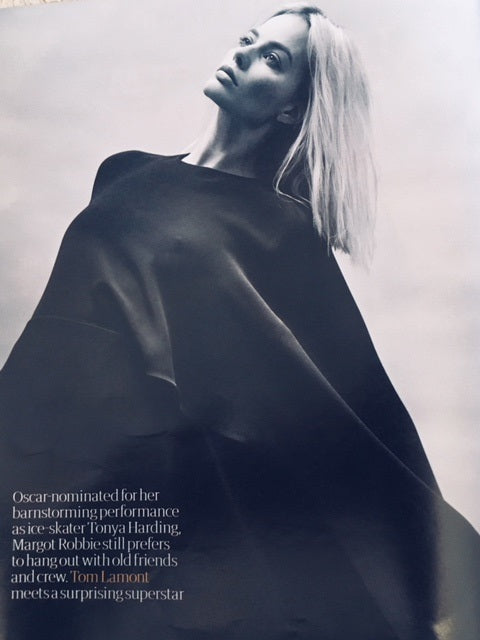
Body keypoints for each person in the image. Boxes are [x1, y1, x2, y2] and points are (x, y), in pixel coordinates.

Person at [1, 4, 479, 639]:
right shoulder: (123, 172)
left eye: (272, 59)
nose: (244, 55)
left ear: (291, 108)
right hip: (56, 456)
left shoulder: (283, 227)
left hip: (158, 495)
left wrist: (427, 542)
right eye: (249, 40)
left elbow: (335, 395)